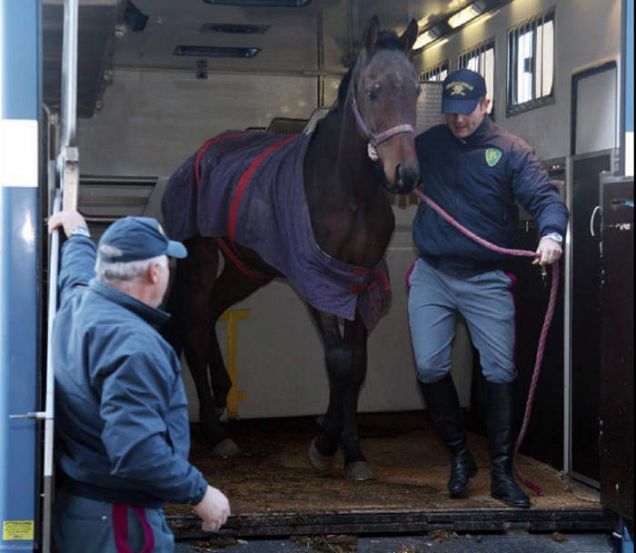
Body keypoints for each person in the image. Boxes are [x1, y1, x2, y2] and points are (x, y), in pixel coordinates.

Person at [409, 68, 568, 508]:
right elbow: (395, 174)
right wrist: (374, 156)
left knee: (499, 371)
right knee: (429, 366)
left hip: (486, 277)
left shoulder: (511, 151)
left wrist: (552, 235)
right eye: (451, 113)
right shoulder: (429, 145)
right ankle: (461, 457)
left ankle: (501, 472)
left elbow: (545, 198)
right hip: (434, 272)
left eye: (466, 112)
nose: (458, 121)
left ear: (486, 105)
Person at [48, 210, 230, 552]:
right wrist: (201, 493)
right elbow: (137, 452)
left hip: (85, 512)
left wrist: (79, 235)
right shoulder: (133, 346)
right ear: (154, 271)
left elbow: (75, 272)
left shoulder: (77, 304)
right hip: (120, 522)